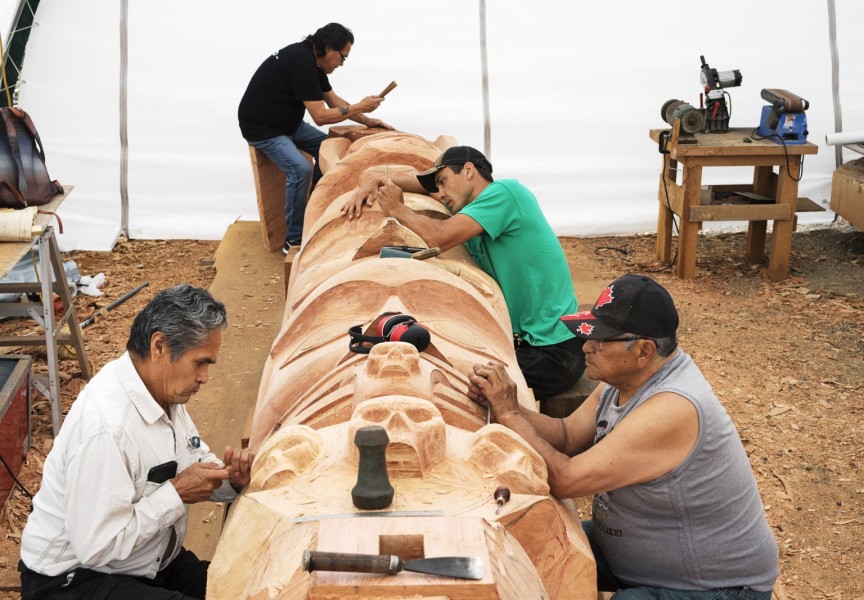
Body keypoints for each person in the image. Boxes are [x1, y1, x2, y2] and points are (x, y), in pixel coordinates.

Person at [467, 274, 779, 599]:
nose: (586, 347)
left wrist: (508, 414)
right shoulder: (625, 378)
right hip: (631, 559)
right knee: (527, 537)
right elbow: (566, 435)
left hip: (717, 588)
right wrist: (505, 401)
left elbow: (565, 480)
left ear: (644, 350)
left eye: (600, 341)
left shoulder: (673, 407)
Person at [19, 284, 255, 600]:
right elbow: (98, 547)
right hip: (73, 579)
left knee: (241, 588)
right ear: (159, 346)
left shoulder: (164, 393)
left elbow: (195, 462)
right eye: (200, 362)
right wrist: (176, 492)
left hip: (147, 557)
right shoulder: (107, 427)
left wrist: (233, 480)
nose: (204, 378)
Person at [341, 145, 585, 400]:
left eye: (443, 182)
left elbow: (439, 237)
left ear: (468, 170)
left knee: (448, 382)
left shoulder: (506, 193)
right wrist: (379, 180)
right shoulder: (473, 209)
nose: (441, 193)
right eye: (438, 186)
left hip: (553, 351)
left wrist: (398, 209)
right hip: (530, 343)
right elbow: (425, 186)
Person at [238, 22, 394, 254]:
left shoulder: (314, 61)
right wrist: (360, 105)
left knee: (328, 148)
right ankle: (294, 240)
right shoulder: (301, 62)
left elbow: (334, 101)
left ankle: (314, 204)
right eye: (343, 57)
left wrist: (366, 120)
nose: (342, 64)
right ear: (329, 48)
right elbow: (320, 116)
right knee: (301, 170)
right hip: (264, 128)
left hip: (288, 123)